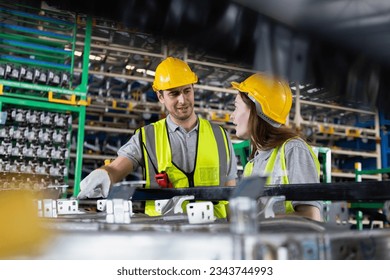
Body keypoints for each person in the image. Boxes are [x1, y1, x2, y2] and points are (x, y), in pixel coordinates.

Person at [77, 57, 238, 219]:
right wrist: (104, 173)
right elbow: (117, 168)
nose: (182, 100)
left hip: (215, 232)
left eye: (187, 91)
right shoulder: (147, 136)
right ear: (161, 97)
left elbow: (231, 192)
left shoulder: (220, 136)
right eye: (174, 93)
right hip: (164, 232)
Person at [230, 73, 323, 222]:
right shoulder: (253, 163)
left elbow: (311, 216)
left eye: (236, 107)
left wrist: (258, 221)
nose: (231, 116)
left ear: (256, 109)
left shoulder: (293, 150)